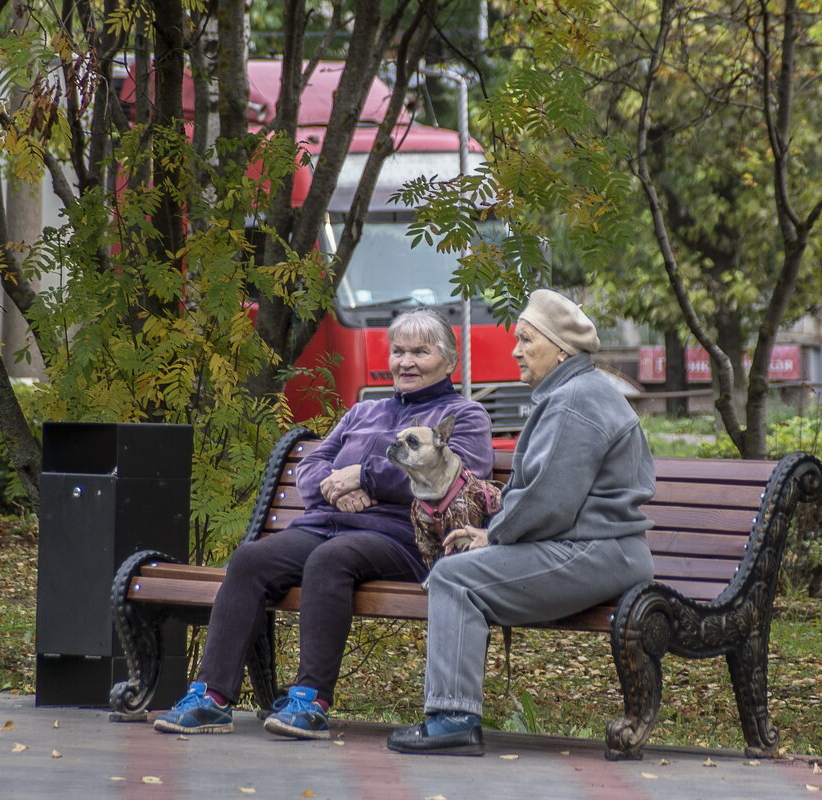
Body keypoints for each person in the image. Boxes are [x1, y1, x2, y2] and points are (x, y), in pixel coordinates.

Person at [154, 308, 494, 739]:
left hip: (399, 536)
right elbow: (313, 463)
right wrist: (338, 486)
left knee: (330, 560)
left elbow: (459, 476)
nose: (405, 362)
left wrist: (366, 476)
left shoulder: (463, 416)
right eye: (398, 351)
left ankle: (309, 700)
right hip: (325, 523)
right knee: (250, 560)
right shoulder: (362, 412)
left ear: (449, 362)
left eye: (420, 352)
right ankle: (211, 698)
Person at [385, 289, 656, 756]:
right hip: (599, 548)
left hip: (597, 550)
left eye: (526, 339)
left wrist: (494, 536)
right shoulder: (573, 393)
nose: (515, 350)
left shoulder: (573, 401)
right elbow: (539, 496)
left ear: (561, 348)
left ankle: (452, 719)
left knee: (452, 576)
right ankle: (453, 717)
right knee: (458, 571)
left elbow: (548, 501)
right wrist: (493, 535)